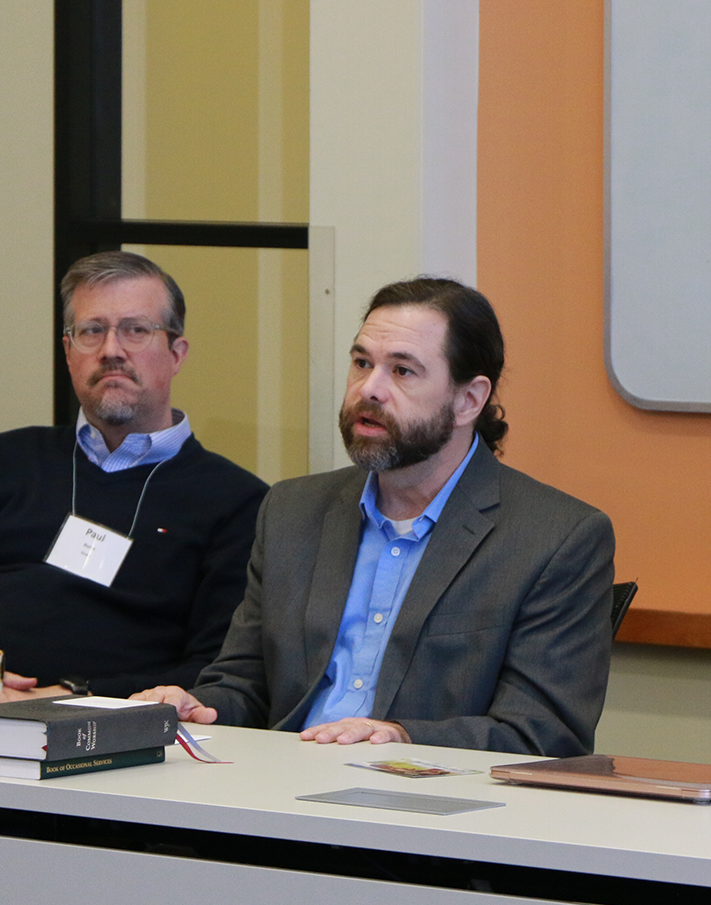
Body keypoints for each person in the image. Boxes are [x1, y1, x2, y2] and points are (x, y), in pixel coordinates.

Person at [133, 277, 614, 757]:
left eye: (403, 371)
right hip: (278, 791)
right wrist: (199, 705)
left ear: (469, 400)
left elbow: (544, 734)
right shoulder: (291, 511)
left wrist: (401, 738)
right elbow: (244, 684)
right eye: (362, 363)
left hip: (426, 810)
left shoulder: (556, 538)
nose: (370, 389)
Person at [0, 251, 267, 701]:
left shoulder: (236, 501)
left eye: (136, 331)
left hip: (97, 718)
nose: (111, 351)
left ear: (176, 353)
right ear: (68, 353)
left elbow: (213, 668)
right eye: (91, 331)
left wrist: (70, 696)